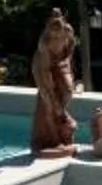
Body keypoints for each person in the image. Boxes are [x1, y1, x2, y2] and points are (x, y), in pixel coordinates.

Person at [29, 12, 79, 153]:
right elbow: (44, 73)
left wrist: (67, 59)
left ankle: (62, 118)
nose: (56, 37)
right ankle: (53, 138)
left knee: (69, 91)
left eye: (59, 34)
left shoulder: (68, 32)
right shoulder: (44, 44)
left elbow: (72, 45)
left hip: (60, 62)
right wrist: (51, 96)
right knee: (48, 103)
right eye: (53, 34)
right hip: (41, 68)